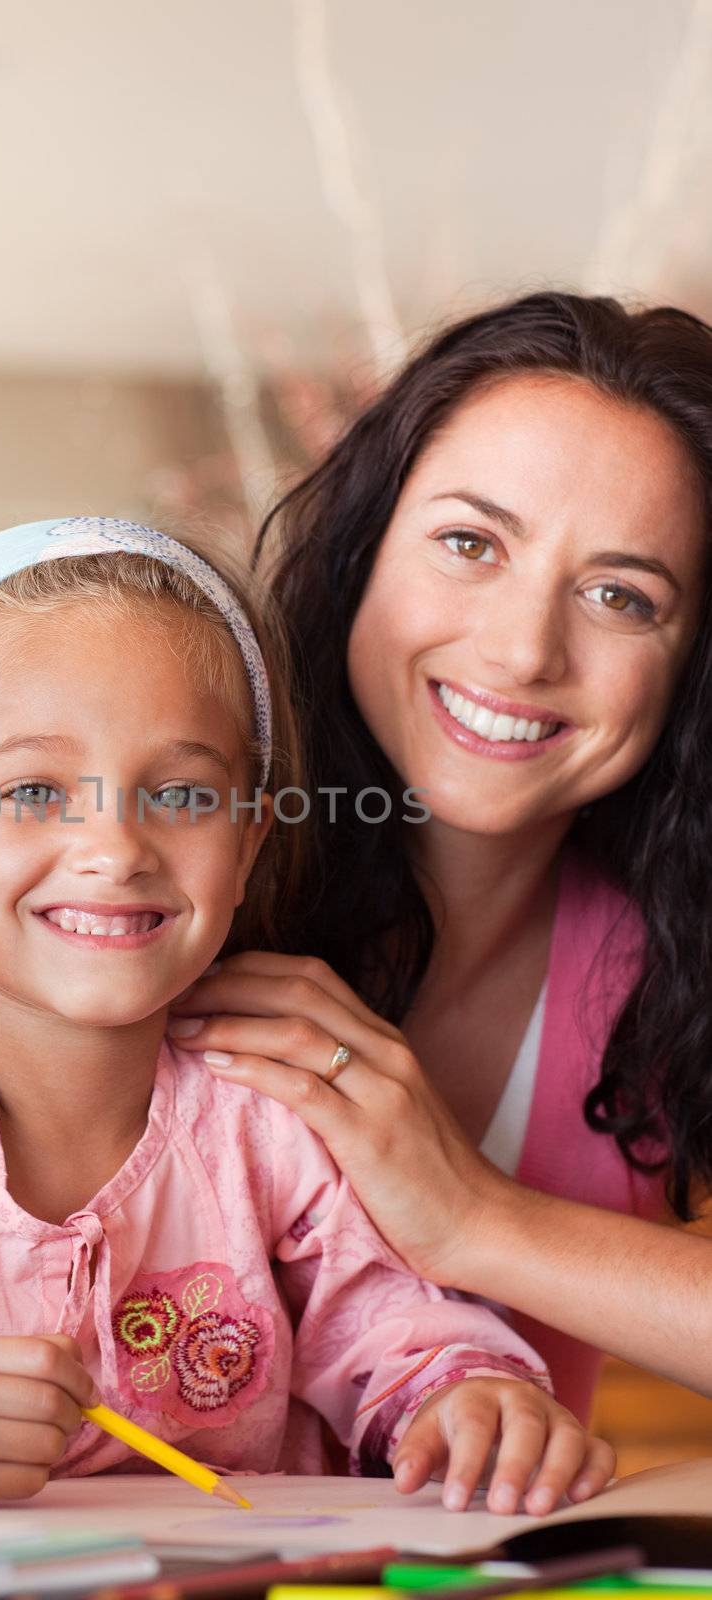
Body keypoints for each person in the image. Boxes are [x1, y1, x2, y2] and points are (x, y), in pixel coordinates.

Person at [0, 516, 609, 1514]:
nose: (114, 846)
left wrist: (469, 1400)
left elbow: (395, 1329)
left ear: (250, 839)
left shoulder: (268, 1105)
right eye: (33, 789)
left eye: (180, 792)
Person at [162, 292, 712, 1419]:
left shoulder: (670, 955)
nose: (521, 649)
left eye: (620, 594)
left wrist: (474, 1217)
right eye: (469, 543)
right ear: (362, 554)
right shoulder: (149, 878)